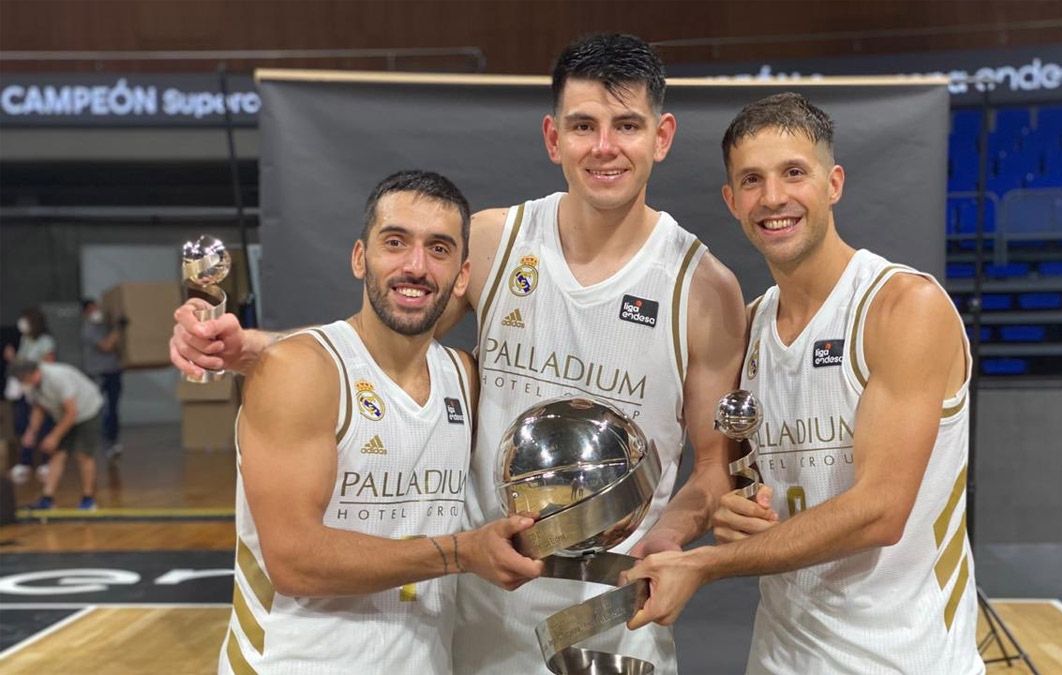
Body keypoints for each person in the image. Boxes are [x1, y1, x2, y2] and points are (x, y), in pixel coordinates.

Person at [171, 34, 745, 673]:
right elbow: (388, 346)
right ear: (554, 139)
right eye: (583, 125)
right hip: (478, 607)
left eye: (626, 126)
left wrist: (669, 538)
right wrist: (253, 346)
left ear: (661, 137)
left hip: (609, 612)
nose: (604, 147)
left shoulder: (706, 290)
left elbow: (713, 468)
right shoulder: (496, 242)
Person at [625, 93, 984, 674]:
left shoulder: (901, 307)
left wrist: (707, 565)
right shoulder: (751, 327)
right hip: (780, 656)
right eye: (751, 180)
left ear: (833, 182)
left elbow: (880, 512)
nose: (773, 198)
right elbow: (723, 474)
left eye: (794, 173)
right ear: (732, 201)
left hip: (903, 660)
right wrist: (685, 529)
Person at [217, 170, 543, 673]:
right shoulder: (300, 370)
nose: (415, 266)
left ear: (461, 276)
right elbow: (294, 558)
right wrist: (461, 552)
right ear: (359, 258)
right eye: (396, 242)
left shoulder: (464, 377)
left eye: (438, 249)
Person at [10, 359, 104, 511]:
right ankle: (47, 498)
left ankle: (88, 498)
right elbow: (38, 408)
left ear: (33, 373)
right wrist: (31, 432)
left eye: (24, 379)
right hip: (63, 415)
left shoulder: (57, 378)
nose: (23, 383)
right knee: (57, 454)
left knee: (83, 455)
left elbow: (72, 412)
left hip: (87, 411)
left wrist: (54, 436)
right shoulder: (31, 385)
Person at [5, 307, 57, 484]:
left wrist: (26, 366)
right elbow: (21, 364)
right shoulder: (26, 339)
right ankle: (25, 461)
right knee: (24, 425)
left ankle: (45, 461)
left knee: (43, 426)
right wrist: (13, 359)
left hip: (41, 388)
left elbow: (47, 364)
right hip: (25, 388)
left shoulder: (46, 341)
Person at [80, 298, 124, 460]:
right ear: (85, 313)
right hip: (98, 373)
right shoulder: (88, 329)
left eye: (96, 308)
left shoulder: (105, 325)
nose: (96, 311)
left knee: (113, 408)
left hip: (114, 371)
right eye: (91, 309)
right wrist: (118, 327)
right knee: (101, 409)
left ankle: (113, 441)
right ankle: (103, 443)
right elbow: (106, 346)